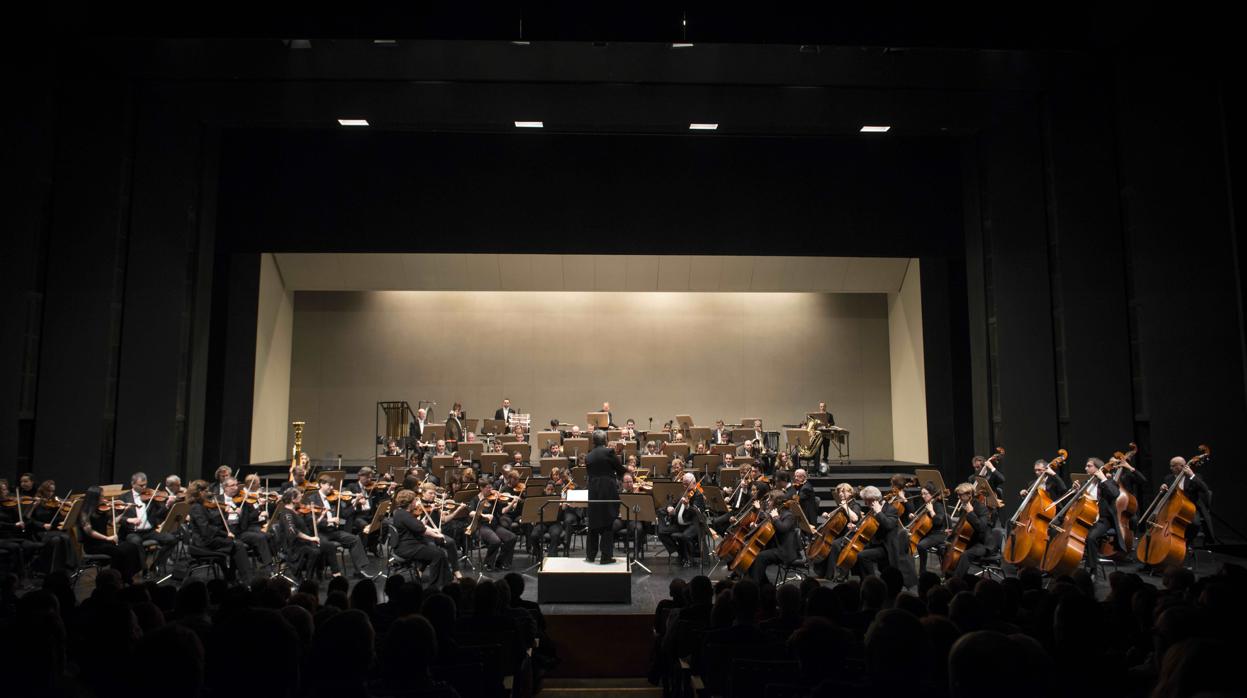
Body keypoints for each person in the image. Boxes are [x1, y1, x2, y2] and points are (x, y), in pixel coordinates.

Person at [306, 475, 373, 579]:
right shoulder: (312, 499)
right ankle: (336, 573)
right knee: (329, 545)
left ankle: (359, 570)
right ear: (321, 484)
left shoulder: (334, 498)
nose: (332, 488)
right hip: (320, 532)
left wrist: (355, 503)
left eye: (332, 485)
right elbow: (310, 520)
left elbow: (345, 514)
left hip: (333, 531)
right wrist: (328, 520)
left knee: (354, 539)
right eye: (329, 485)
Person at [187, 480, 253, 583]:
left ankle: (231, 577)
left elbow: (211, 524)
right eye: (206, 491)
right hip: (203, 542)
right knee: (238, 545)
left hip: (208, 538)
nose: (208, 493)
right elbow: (206, 529)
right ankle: (247, 580)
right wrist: (226, 534)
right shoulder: (196, 507)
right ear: (200, 492)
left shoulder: (201, 505)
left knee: (236, 544)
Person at [77, 486, 143, 582]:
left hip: (105, 543)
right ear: (94, 498)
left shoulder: (102, 510)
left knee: (131, 547)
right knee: (119, 552)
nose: (104, 499)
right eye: (101, 497)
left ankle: (127, 576)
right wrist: (107, 538)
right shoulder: (84, 513)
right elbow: (89, 532)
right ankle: (114, 579)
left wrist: (123, 511)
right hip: (93, 545)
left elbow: (112, 523)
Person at [391, 489, 453, 589]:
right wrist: (437, 535)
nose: (416, 502)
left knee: (437, 551)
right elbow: (421, 529)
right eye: (414, 500)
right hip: (407, 548)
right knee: (438, 554)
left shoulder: (399, 512)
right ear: (410, 503)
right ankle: (434, 586)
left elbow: (418, 524)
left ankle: (447, 581)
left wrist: (433, 529)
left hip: (407, 545)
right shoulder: (405, 515)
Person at [118, 471, 177, 572]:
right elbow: (118, 518)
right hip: (132, 532)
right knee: (136, 542)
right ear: (133, 484)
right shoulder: (124, 497)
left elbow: (159, 514)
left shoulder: (151, 495)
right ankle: (144, 569)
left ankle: (157, 565)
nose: (144, 487)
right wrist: (130, 520)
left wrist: (168, 504)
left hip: (150, 531)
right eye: (141, 485)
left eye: (145, 484)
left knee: (172, 539)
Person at [584, 429, 627, 564]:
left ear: (593, 441)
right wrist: (626, 470)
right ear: (605, 440)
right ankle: (606, 557)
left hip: (593, 492)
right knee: (608, 522)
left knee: (593, 523)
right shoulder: (609, 452)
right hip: (607, 491)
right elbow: (619, 469)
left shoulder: (588, 456)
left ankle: (590, 555)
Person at [1158, 455, 1216, 543]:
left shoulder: (1195, 476)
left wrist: (1192, 475)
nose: (1171, 468)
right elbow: (1167, 496)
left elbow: (1205, 489)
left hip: (1191, 507)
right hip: (1174, 507)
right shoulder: (1168, 478)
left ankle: (1188, 542)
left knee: (1195, 524)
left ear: (1181, 466)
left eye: (1173, 466)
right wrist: (1163, 489)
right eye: (1171, 466)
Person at [749, 492, 800, 584]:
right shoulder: (777, 512)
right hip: (776, 546)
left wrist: (775, 517)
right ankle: (763, 584)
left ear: (777, 502)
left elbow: (783, 528)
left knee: (761, 557)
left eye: (770, 500)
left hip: (784, 551)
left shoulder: (789, 515)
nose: (768, 502)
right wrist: (756, 526)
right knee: (753, 557)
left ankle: (756, 585)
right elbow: (768, 525)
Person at [1081, 457, 1121, 574]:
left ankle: (1092, 569)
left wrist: (1103, 478)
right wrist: (1077, 491)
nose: (1086, 468)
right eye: (1086, 466)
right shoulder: (1086, 483)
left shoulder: (1108, 482)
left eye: (1089, 466)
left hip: (1103, 520)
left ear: (1098, 468)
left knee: (1091, 537)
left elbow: (1115, 494)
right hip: (1087, 517)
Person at [947, 482, 995, 578]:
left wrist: (971, 513)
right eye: (958, 495)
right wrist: (953, 532)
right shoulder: (964, 506)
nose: (958, 497)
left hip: (982, 543)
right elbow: (962, 525)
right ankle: (949, 575)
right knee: (946, 547)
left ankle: (956, 581)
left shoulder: (981, 508)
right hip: (970, 541)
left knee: (965, 555)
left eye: (960, 495)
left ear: (969, 495)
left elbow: (981, 528)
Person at [659, 473, 704, 567]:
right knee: (661, 532)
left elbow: (697, 513)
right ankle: (679, 552)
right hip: (680, 525)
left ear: (694, 483)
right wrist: (669, 507)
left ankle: (689, 559)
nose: (684, 486)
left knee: (685, 536)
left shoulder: (698, 495)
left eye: (687, 484)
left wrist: (688, 506)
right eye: (683, 483)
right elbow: (672, 503)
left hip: (692, 524)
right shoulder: (682, 493)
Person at [472, 480, 517, 570]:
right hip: (481, 526)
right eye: (488, 487)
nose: (491, 489)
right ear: (481, 488)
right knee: (496, 541)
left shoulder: (493, 500)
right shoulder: (475, 500)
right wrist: (484, 515)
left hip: (494, 526)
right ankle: (488, 563)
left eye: (491, 487)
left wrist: (512, 503)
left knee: (512, 537)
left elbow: (502, 511)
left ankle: (500, 562)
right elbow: (471, 513)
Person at [910, 483, 950, 573]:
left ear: (932, 494)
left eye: (925, 493)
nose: (923, 496)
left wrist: (931, 510)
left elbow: (938, 521)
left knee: (921, 545)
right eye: (922, 494)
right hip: (928, 533)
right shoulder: (927, 504)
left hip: (938, 534)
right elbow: (924, 520)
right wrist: (915, 517)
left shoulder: (938, 505)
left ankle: (922, 571)